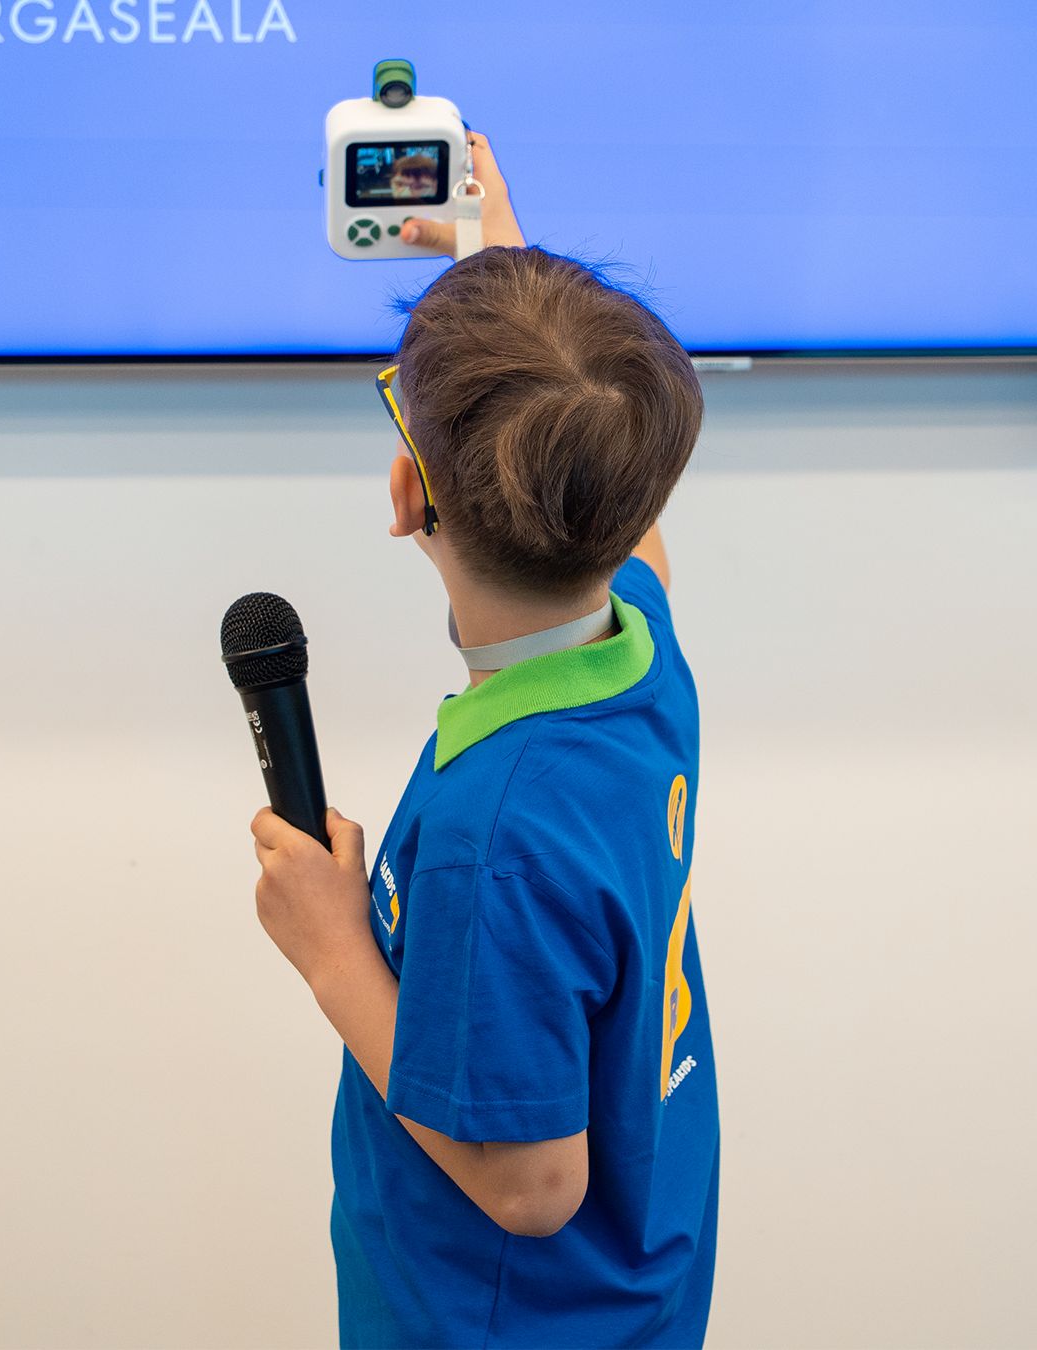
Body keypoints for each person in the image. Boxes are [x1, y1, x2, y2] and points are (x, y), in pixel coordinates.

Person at [251, 132, 719, 1349]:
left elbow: (532, 1186)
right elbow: (619, 498)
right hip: (632, 1291)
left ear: (408, 496)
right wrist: (499, 257)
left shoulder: (493, 837)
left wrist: (332, 951)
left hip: (499, 1323)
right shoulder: (640, 652)